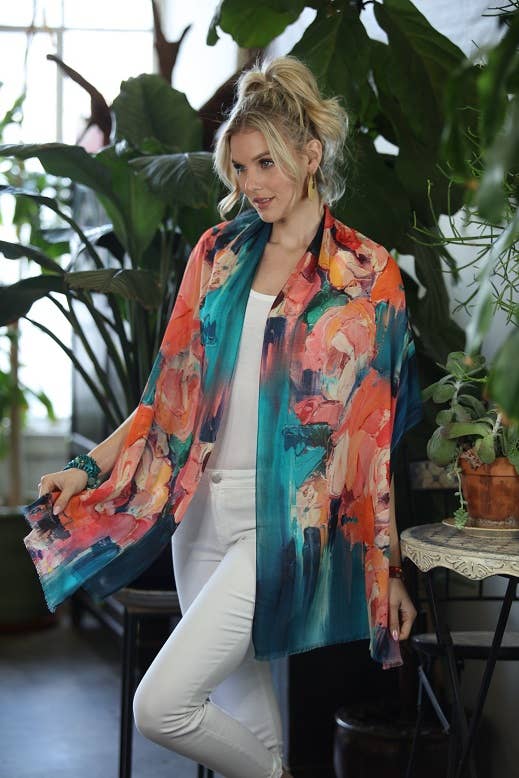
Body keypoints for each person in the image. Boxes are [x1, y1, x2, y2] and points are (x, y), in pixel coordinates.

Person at [33, 55, 422, 778]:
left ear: (311, 155)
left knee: (162, 706)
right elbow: (165, 397)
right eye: (240, 168)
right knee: (251, 727)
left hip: (284, 524)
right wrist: (86, 467)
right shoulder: (218, 253)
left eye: (266, 163)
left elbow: (371, 446)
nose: (252, 184)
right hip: (200, 516)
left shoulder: (366, 275)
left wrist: (389, 566)